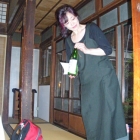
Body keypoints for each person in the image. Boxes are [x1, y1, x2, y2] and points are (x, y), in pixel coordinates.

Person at [55, 4, 127, 140]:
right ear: (64, 26)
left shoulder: (91, 28)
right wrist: (72, 72)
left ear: (76, 15)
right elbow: (73, 63)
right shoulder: (68, 41)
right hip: (87, 82)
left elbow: (107, 49)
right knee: (90, 115)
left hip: (104, 78)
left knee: (109, 112)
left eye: (72, 18)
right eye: (67, 22)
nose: (71, 23)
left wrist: (87, 50)